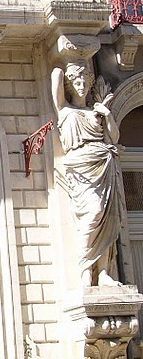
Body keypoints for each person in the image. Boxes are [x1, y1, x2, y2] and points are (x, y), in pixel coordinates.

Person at [51, 62, 121, 288]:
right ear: (69, 86)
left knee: (106, 220)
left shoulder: (96, 112)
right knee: (93, 213)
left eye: (84, 82)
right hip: (81, 166)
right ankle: (84, 270)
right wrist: (70, 61)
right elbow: (56, 74)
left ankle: (104, 273)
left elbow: (114, 138)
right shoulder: (64, 109)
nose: (81, 86)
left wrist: (106, 113)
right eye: (77, 83)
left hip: (103, 163)